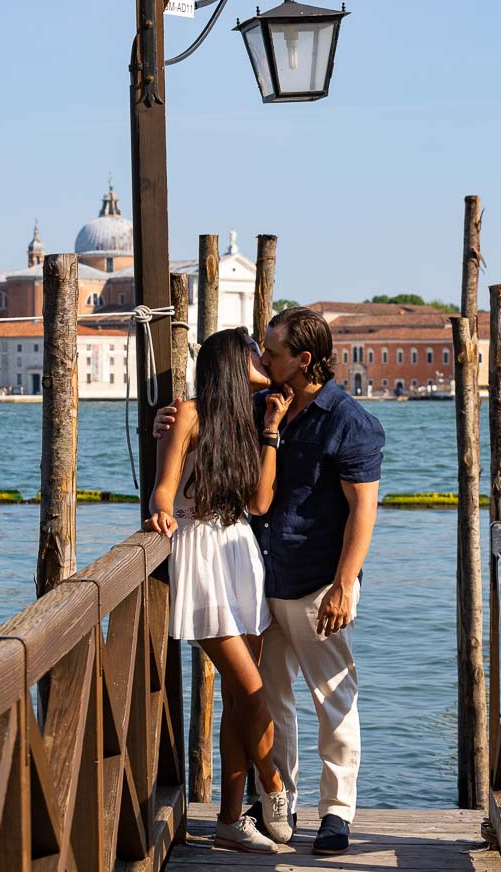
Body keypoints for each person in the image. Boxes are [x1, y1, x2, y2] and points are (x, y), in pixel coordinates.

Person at [154, 306, 384, 855]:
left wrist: (345, 583)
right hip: (258, 572)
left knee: (333, 698)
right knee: (266, 696)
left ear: (302, 360)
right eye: (259, 352)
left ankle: (335, 814)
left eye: (273, 352)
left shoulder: (349, 422)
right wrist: (169, 426)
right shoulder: (257, 405)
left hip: (313, 583)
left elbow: (363, 512)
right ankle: (274, 800)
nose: (265, 358)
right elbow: (192, 444)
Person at [144, 327, 295, 854]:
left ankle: (232, 819)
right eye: (253, 351)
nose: (261, 358)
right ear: (232, 361)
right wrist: (161, 509)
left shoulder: (249, 418)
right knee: (252, 689)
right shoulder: (185, 413)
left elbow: (258, 503)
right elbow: (165, 484)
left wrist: (272, 430)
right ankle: (274, 786)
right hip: (202, 555)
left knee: (238, 696)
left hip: (239, 552)